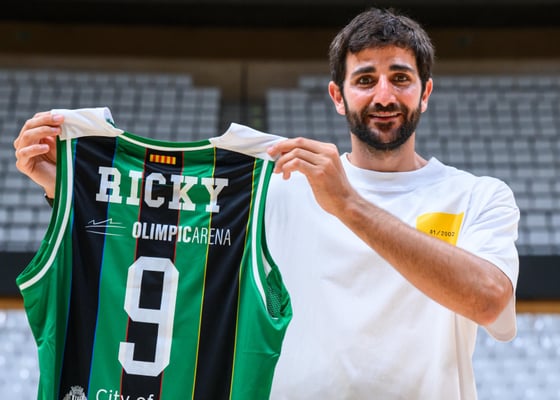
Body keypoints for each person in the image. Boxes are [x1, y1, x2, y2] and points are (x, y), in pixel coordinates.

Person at [14, 7, 519, 400]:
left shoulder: (478, 196)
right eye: (365, 80)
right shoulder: (277, 188)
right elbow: (161, 229)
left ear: (425, 92)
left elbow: (490, 300)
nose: (384, 95)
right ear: (338, 96)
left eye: (401, 78)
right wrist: (68, 187)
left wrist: (349, 205)